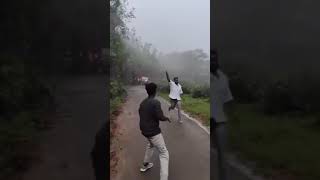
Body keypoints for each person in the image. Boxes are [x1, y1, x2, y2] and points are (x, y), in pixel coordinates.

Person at [139, 82, 171, 180]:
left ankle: (145, 164)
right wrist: (167, 118)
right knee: (164, 153)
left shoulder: (143, 102)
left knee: (151, 145)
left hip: (144, 131)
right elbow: (160, 117)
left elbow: (142, 114)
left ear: (147, 91)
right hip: (153, 132)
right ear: (155, 91)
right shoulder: (155, 102)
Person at [211, 49, 233, 180]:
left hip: (221, 122)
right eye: (211, 59)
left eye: (215, 59)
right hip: (210, 122)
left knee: (223, 157)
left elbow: (227, 100)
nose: (213, 61)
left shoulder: (224, 78)